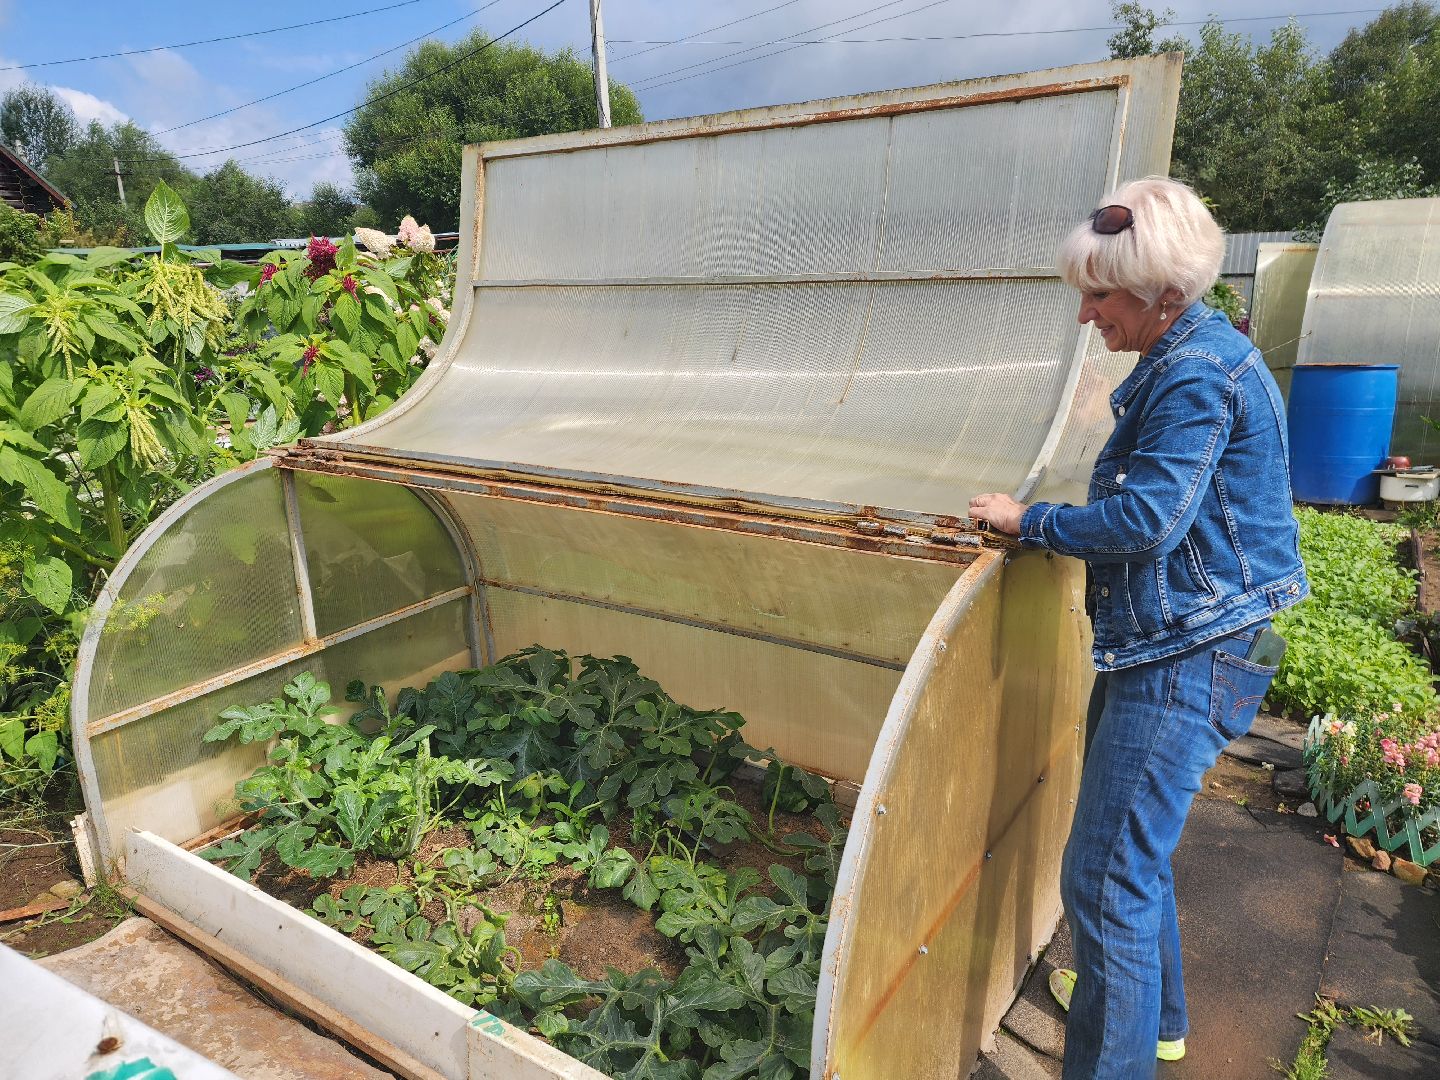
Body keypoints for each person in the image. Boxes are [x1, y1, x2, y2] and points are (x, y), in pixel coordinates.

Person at [968, 175, 1308, 1078]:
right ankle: (1155, 1021)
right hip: (1175, 634)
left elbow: (1145, 521)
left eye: (1100, 296)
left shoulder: (1194, 373)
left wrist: (1026, 520)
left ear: (1165, 295)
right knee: (1128, 856)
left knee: (1103, 881)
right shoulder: (1200, 352)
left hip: (1188, 650)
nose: (1087, 317)